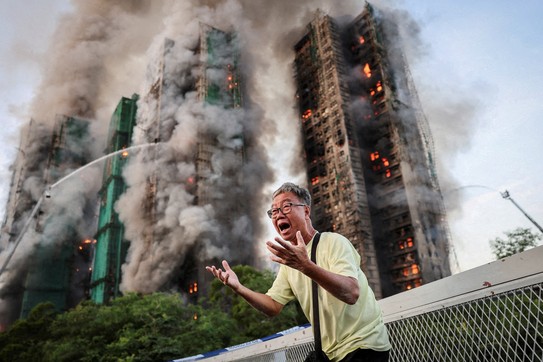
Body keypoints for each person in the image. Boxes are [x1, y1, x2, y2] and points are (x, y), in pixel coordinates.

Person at [206, 182, 391, 361]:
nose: (278, 214)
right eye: (274, 211)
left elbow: (351, 293)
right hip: (330, 354)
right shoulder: (289, 263)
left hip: (364, 345)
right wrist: (239, 288)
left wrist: (306, 266)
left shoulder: (333, 242)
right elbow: (272, 306)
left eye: (286, 207)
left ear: (306, 211)